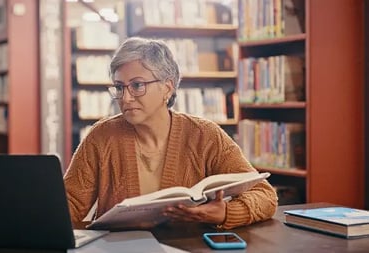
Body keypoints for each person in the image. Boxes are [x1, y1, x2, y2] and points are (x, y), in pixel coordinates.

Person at [63, 37, 277, 229]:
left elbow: (265, 195)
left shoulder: (204, 135)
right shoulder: (101, 136)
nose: (125, 98)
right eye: (119, 87)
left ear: (168, 87)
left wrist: (226, 213)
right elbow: (69, 205)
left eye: (137, 85)